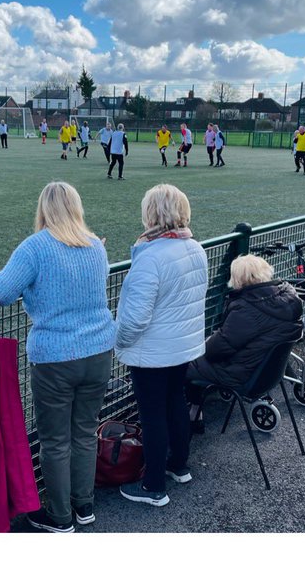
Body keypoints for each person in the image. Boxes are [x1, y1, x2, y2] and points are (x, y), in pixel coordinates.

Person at [0, 181, 115, 533]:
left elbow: (1, 291)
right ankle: (84, 507)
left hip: (56, 357)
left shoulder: (36, 248)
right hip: (99, 351)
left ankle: (60, 516)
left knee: (55, 440)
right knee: (83, 432)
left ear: (43, 209)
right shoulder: (95, 245)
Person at [114, 183, 207, 506]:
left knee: (152, 414)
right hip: (181, 348)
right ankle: (178, 465)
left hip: (152, 353)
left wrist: (120, 341)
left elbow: (135, 318)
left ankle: (153, 486)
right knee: (175, 403)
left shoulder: (151, 257)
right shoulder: (195, 248)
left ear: (151, 214)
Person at [185, 254, 301, 412]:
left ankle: (190, 415)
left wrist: (207, 341)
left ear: (238, 280)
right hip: (267, 373)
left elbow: (215, 350)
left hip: (242, 375)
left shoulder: (245, 309)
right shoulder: (288, 298)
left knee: (183, 363)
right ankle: (194, 413)